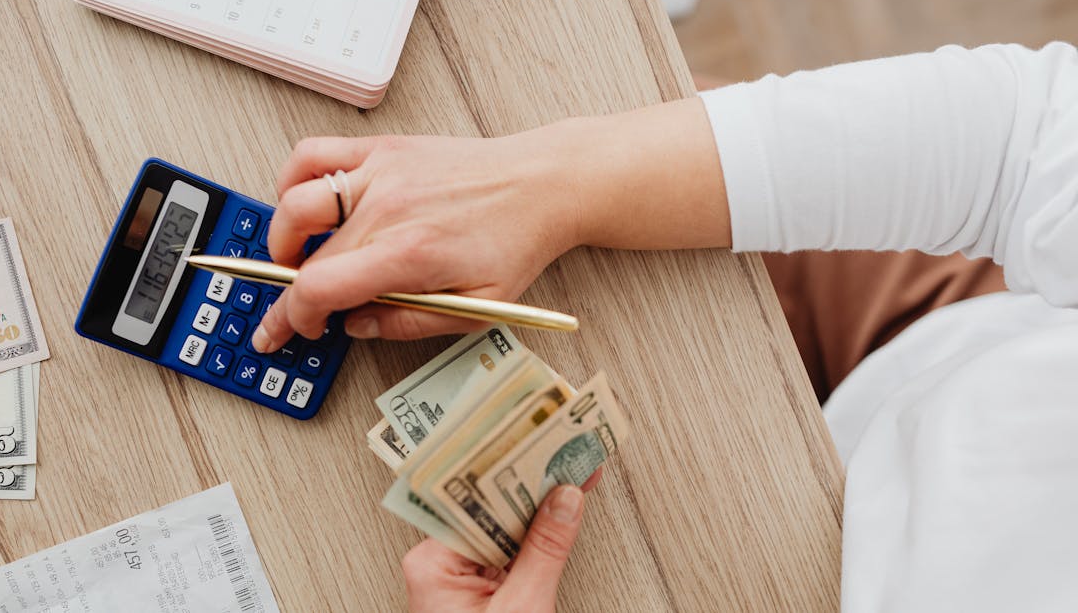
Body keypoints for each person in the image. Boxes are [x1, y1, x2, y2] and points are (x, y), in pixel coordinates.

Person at [255, 41, 1078, 611]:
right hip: (950, 338)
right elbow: (1025, 140)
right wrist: (545, 183)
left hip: (785, 559)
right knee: (627, 93)